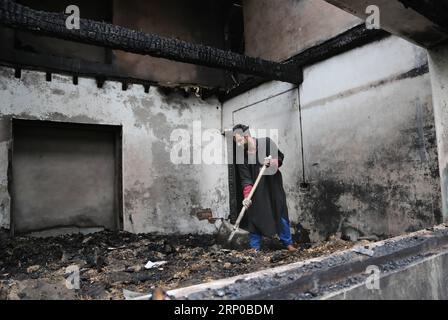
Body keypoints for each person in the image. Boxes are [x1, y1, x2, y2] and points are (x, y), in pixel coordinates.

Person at [232, 124, 297, 252]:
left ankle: (288, 243)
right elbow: (246, 178)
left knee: (280, 212)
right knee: (254, 215)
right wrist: (247, 196)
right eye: (236, 142)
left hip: (273, 186)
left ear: (247, 136)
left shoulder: (266, 142)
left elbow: (280, 157)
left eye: (239, 141)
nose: (238, 144)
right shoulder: (242, 157)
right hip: (257, 192)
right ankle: (254, 248)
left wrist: (272, 162)